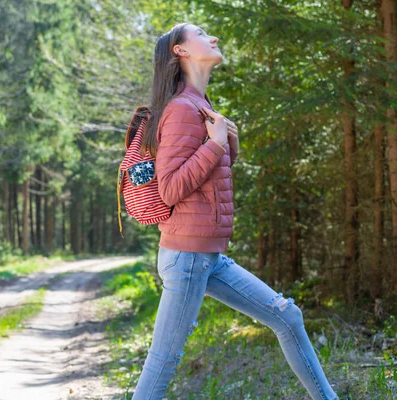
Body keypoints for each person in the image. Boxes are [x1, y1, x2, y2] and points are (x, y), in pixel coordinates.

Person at [131, 22, 339, 400]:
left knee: (288, 318)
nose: (212, 37)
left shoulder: (199, 105)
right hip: (188, 255)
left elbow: (209, 186)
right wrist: (215, 145)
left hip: (206, 256)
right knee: (164, 359)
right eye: (200, 33)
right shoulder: (180, 109)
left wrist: (228, 146)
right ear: (180, 51)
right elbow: (172, 188)